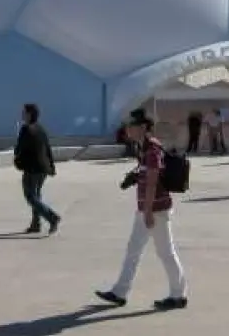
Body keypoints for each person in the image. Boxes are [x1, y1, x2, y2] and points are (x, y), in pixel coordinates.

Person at [95, 114, 187, 311]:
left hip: (155, 210)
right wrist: (136, 177)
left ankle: (178, 295)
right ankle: (120, 292)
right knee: (133, 250)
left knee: (165, 252)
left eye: (132, 125)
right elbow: (148, 175)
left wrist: (147, 212)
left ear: (143, 127)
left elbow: (153, 181)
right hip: (146, 209)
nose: (128, 129)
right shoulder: (144, 148)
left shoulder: (152, 149)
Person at [13, 103, 61, 235]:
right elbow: (47, 148)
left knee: (30, 196)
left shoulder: (25, 129)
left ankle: (52, 217)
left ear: (29, 114)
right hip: (43, 168)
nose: (22, 114)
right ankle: (36, 224)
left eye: (24, 112)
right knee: (36, 196)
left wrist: (17, 157)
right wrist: (51, 167)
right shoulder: (41, 129)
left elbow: (19, 149)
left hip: (32, 169)